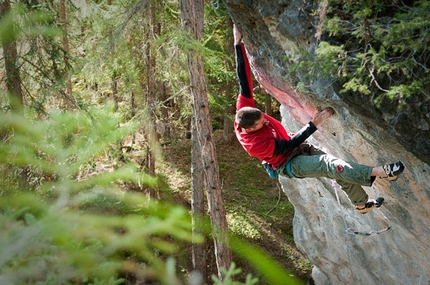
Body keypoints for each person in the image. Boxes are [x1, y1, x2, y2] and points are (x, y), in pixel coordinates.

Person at [232, 25, 404, 214]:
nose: (266, 121)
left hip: (299, 149)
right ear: (249, 130)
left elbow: (244, 80)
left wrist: (237, 44)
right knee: (328, 165)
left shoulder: (244, 112)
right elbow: (288, 145)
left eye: (263, 117)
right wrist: (314, 124)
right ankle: (381, 172)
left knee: (336, 168)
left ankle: (361, 204)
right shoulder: (253, 144)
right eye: (261, 124)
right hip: (289, 164)